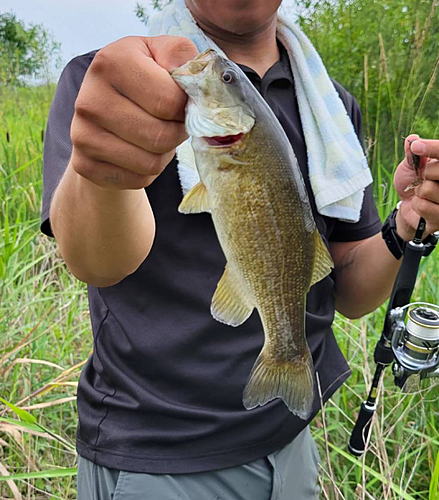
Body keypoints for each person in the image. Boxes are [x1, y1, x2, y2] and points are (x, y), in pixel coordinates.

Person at [40, 0, 439, 498]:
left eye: (228, 80)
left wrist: (404, 225)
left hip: (292, 436)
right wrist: (100, 166)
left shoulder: (331, 106)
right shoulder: (107, 90)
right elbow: (96, 263)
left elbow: (351, 294)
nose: (219, 75)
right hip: (157, 452)